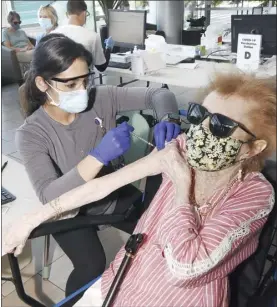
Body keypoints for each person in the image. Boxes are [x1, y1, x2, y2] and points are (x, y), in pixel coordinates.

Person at [3, 72, 276, 307]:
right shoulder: (182, 148)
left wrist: (182, 186)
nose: (201, 131)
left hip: (183, 296)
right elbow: (104, 184)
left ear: (254, 147)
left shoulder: (254, 194)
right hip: (130, 273)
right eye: (199, 115)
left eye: (220, 125)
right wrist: (32, 219)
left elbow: (185, 268)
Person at [12, 33, 181, 305]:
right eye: (70, 84)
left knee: (157, 230)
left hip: (110, 194)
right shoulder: (31, 133)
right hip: (68, 211)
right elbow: (50, 196)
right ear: (43, 84)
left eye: (85, 79)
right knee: (92, 264)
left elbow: (159, 93)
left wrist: (168, 118)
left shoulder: (101, 97)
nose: (82, 90)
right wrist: (98, 156)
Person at [52, 0, 112, 73]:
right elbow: (101, 67)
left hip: (60, 82)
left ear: (67, 14)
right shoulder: (92, 36)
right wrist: (109, 48)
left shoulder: (53, 34)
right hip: (83, 82)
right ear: (84, 13)